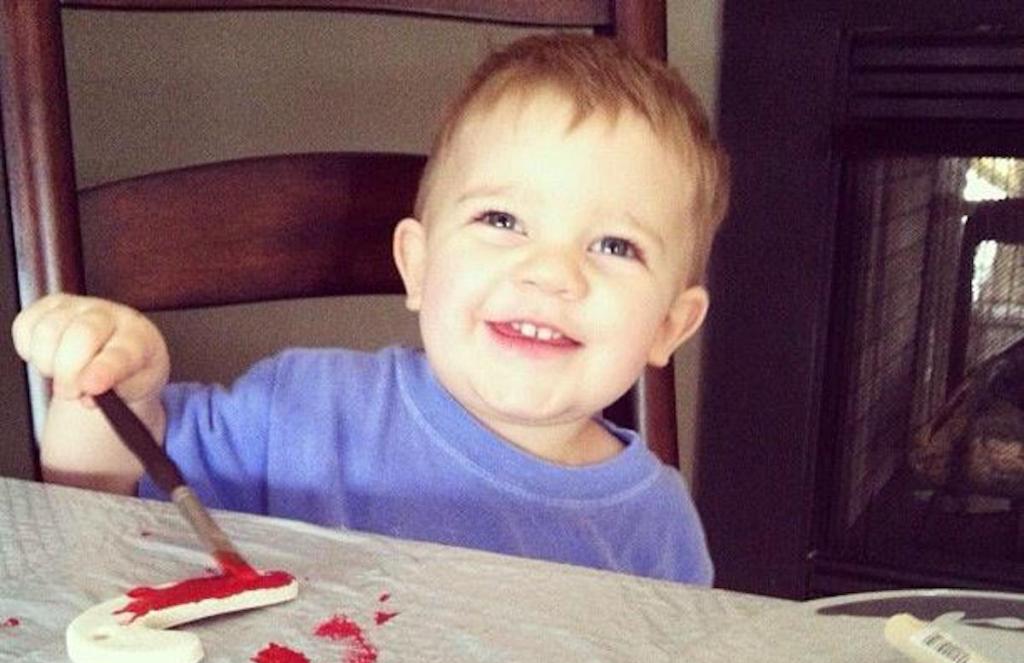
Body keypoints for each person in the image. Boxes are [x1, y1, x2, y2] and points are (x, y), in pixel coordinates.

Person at [11, 33, 729, 584]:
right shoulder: (300, 414)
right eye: (503, 221)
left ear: (670, 325)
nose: (551, 272)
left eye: (614, 244)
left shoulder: (656, 531)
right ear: (416, 265)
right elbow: (97, 507)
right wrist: (108, 389)